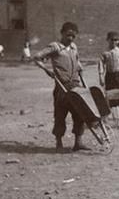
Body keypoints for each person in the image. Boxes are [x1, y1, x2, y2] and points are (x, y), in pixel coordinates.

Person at [33, 22, 88, 152]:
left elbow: (77, 60)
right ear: (62, 33)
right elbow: (37, 57)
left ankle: (78, 143)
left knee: (79, 113)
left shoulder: (74, 47)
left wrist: (79, 67)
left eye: (73, 36)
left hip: (75, 86)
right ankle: (59, 143)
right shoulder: (55, 47)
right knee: (60, 115)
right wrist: (46, 70)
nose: (70, 38)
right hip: (62, 87)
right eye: (68, 35)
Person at [98, 31, 119, 122]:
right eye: (111, 40)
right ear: (108, 40)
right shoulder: (105, 52)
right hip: (109, 75)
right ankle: (108, 115)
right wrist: (101, 76)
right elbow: (101, 65)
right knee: (109, 95)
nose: (113, 42)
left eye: (116, 40)